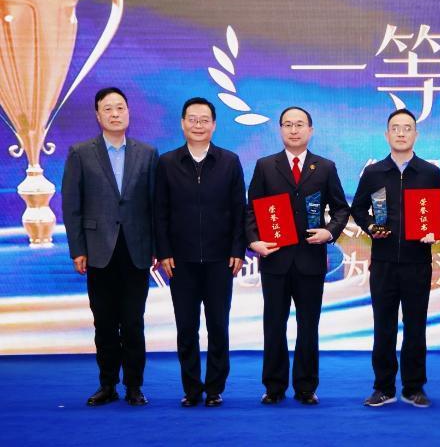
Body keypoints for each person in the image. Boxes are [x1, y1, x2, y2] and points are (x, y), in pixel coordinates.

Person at [246, 107, 349, 406]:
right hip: (275, 259)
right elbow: (251, 210)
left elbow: (341, 208)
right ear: (280, 129)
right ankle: (274, 386)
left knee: (308, 326)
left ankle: (306, 387)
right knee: (273, 325)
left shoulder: (325, 167)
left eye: (300, 125)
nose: (294, 130)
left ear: (310, 130)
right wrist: (254, 241)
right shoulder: (266, 166)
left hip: (310, 260)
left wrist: (329, 232)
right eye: (288, 125)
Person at [62, 87, 158, 407]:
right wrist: (78, 248)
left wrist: (157, 247)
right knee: (103, 322)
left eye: (120, 108)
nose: (115, 114)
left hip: (136, 250)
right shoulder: (80, 153)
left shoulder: (147, 153)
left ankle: (134, 386)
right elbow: (72, 206)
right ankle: (107, 384)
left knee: (133, 322)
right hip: (97, 250)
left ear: (128, 112)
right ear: (97, 115)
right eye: (108, 109)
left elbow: (154, 205)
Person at [154, 97, 246, 407]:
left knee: (218, 325)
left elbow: (239, 209)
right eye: (192, 119)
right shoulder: (167, 163)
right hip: (181, 261)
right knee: (186, 327)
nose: (198, 125)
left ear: (214, 125)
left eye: (204, 120)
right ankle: (191, 389)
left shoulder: (229, 161)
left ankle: (215, 388)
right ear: (182, 123)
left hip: (221, 260)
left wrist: (237, 249)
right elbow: (159, 211)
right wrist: (164, 251)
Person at [351, 108, 440, 408]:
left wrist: (433, 230)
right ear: (386, 134)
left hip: (418, 262)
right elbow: (358, 208)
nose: (401, 133)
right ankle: (383, 387)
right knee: (384, 326)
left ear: (416, 134)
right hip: (384, 262)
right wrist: (370, 227)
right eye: (395, 128)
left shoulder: (429, 172)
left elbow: (438, 212)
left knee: (416, 326)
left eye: (407, 128)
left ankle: (414, 387)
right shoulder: (374, 172)